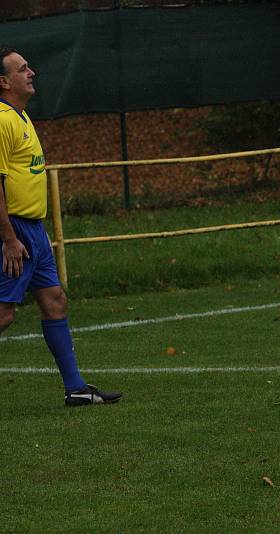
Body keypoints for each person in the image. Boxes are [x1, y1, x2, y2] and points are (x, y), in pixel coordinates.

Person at [0, 47, 122, 407]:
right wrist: (8, 238)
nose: (31, 72)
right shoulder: (2, 119)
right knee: (4, 314)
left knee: (55, 302)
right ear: (4, 81)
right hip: (15, 231)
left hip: (33, 231)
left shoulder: (20, 117)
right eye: (23, 69)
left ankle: (77, 389)